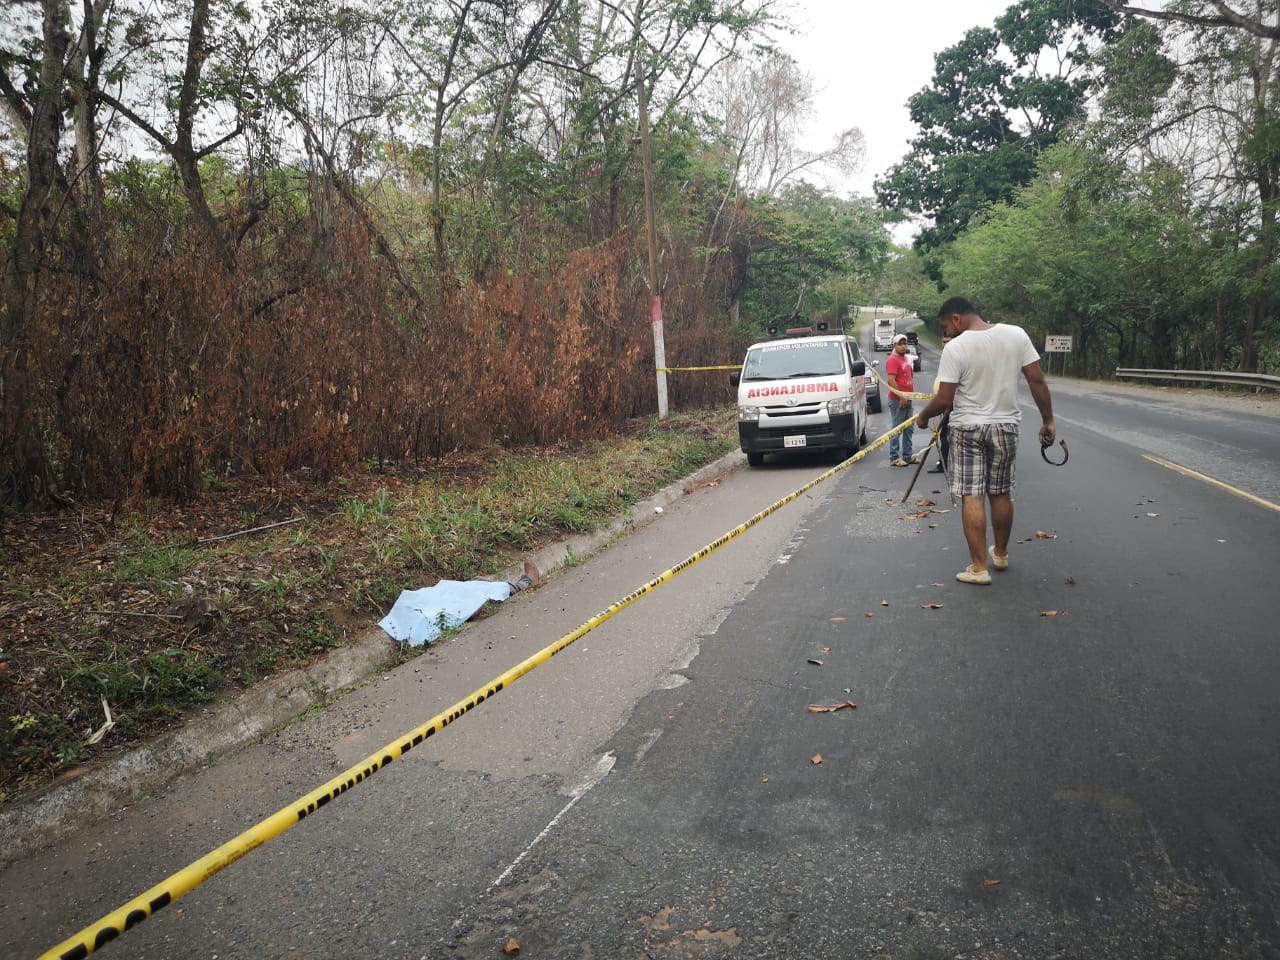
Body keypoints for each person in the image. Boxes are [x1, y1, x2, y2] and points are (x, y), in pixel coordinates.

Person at [915, 297, 1055, 585]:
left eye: (946, 326)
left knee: (972, 495)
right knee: (1001, 492)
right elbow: (1037, 381)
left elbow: (944, 399)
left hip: (967, 429)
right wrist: (1048, 420)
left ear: (956, 319)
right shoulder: (1016, 334)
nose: (948, 333)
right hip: (1005, 427)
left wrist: (923, 416)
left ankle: (979, 568)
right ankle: (1000, 553)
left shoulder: (956, 347)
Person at [885, 333, 916, 467]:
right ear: (895, 346)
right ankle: (894, 457)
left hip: (908, 399)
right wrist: (901, 396)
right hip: (898, 400)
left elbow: (909, 375)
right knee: (897, 429)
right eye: (900, 344)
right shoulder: (893, 360)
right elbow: (891, 380)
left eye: (905, 343)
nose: (904, 346)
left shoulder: (906, 359)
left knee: (909, 428)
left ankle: (908, 456)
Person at [927, 333, 954, 474]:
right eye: (943, 342)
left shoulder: (955, 358)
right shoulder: (945, 357)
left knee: (947, 435)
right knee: (945, 435)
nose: (945, 345)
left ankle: (945, 462)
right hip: (945, 406)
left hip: (952, 406)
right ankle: (945, 461)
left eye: (948, 342)